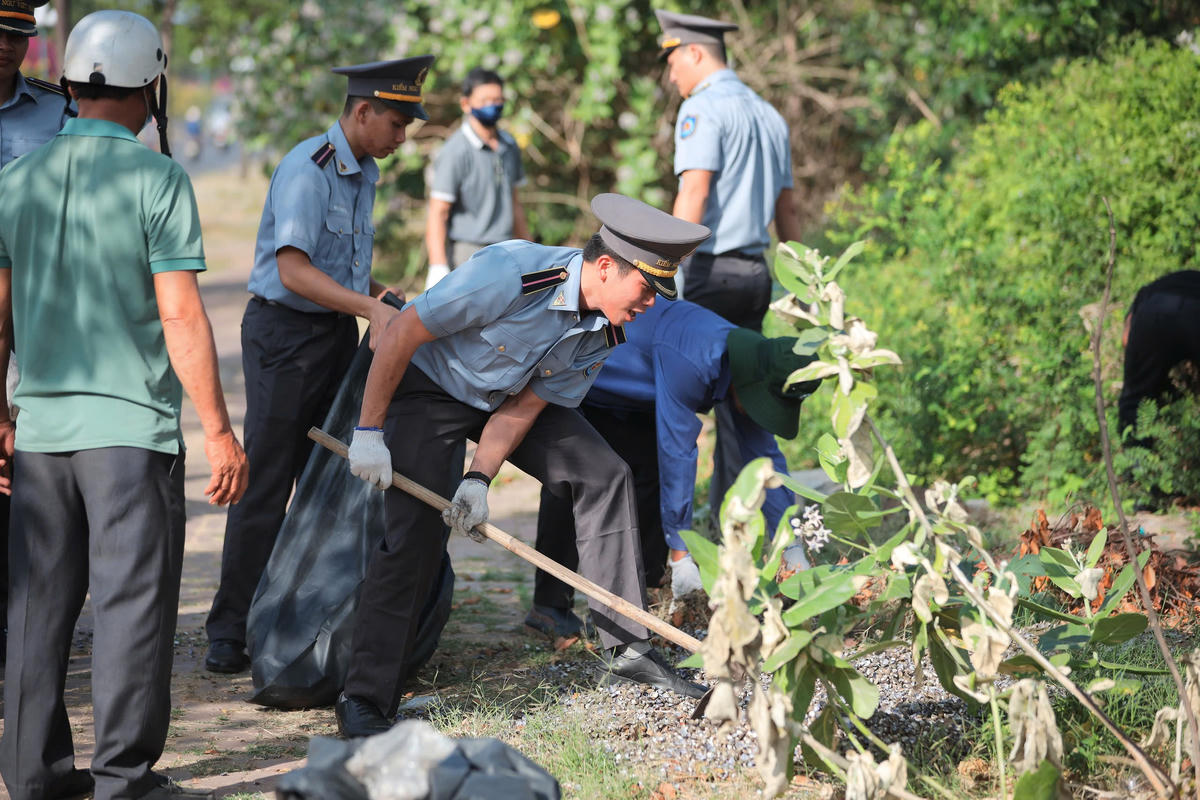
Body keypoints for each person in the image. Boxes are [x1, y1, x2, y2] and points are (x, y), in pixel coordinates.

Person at [337, 193, 711, 737]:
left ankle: (627, 650)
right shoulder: (512, 273)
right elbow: (402, 332)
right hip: (430, 388)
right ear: (606, 267)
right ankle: (364, 696)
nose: (651, 304)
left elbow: (525, 405)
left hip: (502, 397)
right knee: (414, 536)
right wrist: (369, 432)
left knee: (605, 475)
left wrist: (478, 478)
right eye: (647, 288)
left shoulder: (606, 328)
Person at [0, 10, 248, 799]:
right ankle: (124, 780)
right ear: (149, 89)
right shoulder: (158, 178)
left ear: (69, 85)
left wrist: (0, 418)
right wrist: (220, 431)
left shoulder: (16, 180)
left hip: (41, 432)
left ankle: (31, 776)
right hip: (129, 437)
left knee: (36, 608)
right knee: (130, 606)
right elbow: (180, 316)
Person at [203, 57, 431, 674]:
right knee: (267, 481)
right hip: (284, 338)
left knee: (325, 484)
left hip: (333, 334)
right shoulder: (309, 168)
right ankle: (229, 629)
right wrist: (368, 307)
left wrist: (382, 297)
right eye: (396, 123)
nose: (402, 137)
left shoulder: (365, 174)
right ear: (363, 111)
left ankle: (291, 622)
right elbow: (293, 271)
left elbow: (342, 271)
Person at [529, 300, 817, 634]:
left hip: (637, 399)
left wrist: (790, 543)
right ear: (752, 384)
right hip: (585, 381)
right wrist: (682, 553)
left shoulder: (747, 366)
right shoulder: (696, 356)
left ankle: (644, 596)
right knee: (574, 479)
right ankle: (549, 607)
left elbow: (765, 460)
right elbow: (677, 450)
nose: (762, 411)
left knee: (651, 477)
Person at [654, 9, 803, 560]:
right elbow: (788, 211)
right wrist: (803, 281)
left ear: (695, 53)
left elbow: (693, 193)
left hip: (710, 276)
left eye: (673, 60)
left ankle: (756, 544)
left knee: (684, 407)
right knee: (744, 408)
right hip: (755, 275)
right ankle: (742, 538)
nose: (671, 74)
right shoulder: (768, 114)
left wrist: (664, 271)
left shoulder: (702, 109)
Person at [0, 0, 73, 667]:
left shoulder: (58, 112)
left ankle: (15, 623)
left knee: (19, 462)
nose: (5, 45)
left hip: (31, 311)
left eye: (17, 34)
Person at [424, 66, 530, 289]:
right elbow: (438, 211)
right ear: (466, 104)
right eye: (484, 100)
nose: (492, 105)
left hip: (506, 250)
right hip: (468, 254)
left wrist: (531, 252)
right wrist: (437, 265)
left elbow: (515, 203)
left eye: (497, 100)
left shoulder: (509, 146)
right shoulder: (455, 150)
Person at [1119, 270, 1200, 446]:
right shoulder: (1187, 282)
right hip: (1194, 312)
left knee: (1135, 401)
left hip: (1154, 314)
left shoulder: (1146, 297)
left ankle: (1137, 459)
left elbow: (1126, 339)